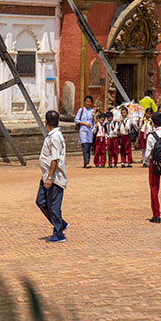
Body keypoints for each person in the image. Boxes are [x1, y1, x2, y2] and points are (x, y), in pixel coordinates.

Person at [37, 110, 69, 243]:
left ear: (46, 122)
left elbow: (54, 159)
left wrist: (50, 178)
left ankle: (59, 233)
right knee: (41, 201)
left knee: (54, 206)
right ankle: (60, 223)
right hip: (46, 176)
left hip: (54, 178)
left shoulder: (55, 137)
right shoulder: (51, 136)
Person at [74, 95, 95, 169]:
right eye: (87, 101)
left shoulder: (92, 111)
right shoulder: (81, 110)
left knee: (88, 147)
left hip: (89, 131)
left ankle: (86, 162)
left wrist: (93, 116)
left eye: (89, 102)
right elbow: (76, 120)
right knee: (85, 146)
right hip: (83, 130)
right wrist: (85, 123)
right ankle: (87, 162)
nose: (88, 103)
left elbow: (94, 121)